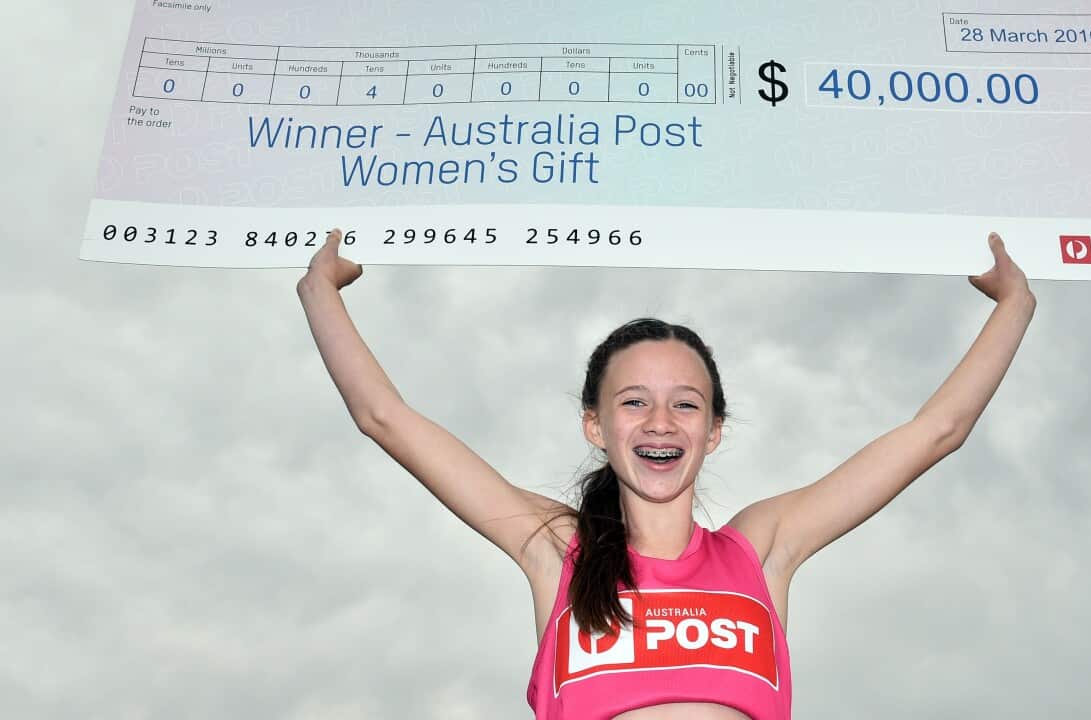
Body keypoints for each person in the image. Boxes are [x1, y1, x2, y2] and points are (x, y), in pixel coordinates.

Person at [297, 229, 1036, 719]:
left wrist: (1016, 304)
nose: (660, 422)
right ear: (596, 425)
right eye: (634, 402)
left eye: (686, 404)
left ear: (713, 431)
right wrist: (320, 290)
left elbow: (938, 431)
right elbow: (385, 418)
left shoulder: (761, 548)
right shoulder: (556, 549)